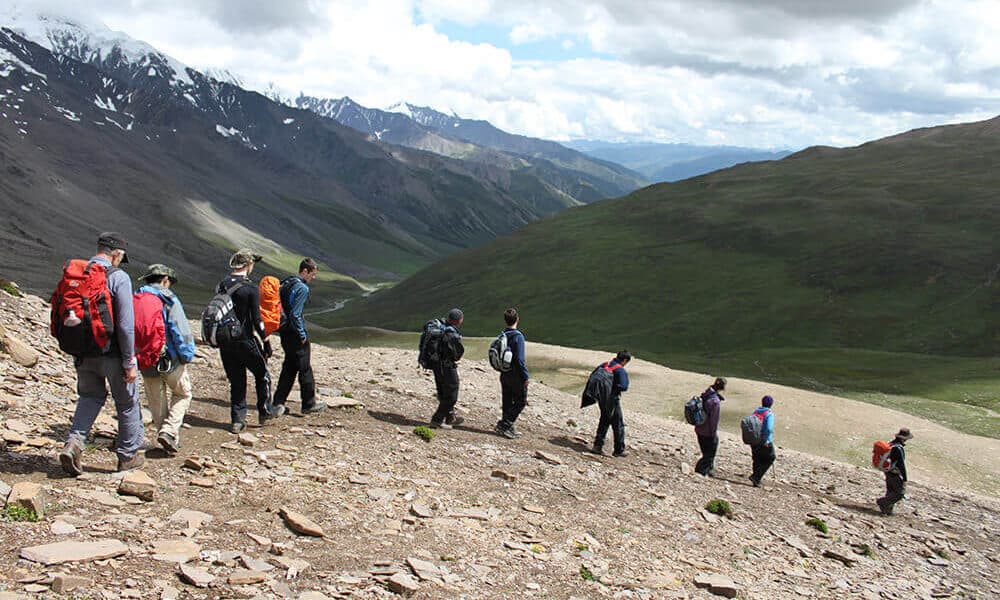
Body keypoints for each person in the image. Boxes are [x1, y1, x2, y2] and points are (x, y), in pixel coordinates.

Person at [59, 232, 145, 475]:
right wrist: (129, 361)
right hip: (112, 354)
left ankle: (74, 443)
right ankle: (128, 457)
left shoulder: (77, 274)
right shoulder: (118, 277)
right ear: (116, 254)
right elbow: (126, 325)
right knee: (127, 403)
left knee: (89, 397)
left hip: (83, 352)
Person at [217, 249, 284, 433]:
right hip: (245, 339)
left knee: (237, 380)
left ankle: (237, 420)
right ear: (248, 265)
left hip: (225, 341)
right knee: (263, 375)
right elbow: (257, 320)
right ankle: (265, 411)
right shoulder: (249, 288)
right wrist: (266, 342)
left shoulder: (222, 285)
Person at [136, 264, 196, 454]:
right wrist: (186, 354)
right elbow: (180, 330)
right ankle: (169, 432)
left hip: (145, 357)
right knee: (183, 393)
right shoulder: (169, 299)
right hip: (169, 358)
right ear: (165, 280)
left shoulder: (135, 298)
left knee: (156, 400)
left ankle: (167, 437)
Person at [273, 258, 326, 415]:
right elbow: (296, 314)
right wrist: (302, 334)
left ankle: (278, 402)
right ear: (305, 271)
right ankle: (309, 404)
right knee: (305, 369)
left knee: (289, 366)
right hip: (295, 334)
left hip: (284, 331)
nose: (313, 277)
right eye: (312, 274)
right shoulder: (302, 288)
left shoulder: (287, 283)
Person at [495, 308, 530, 439]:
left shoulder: (502, 334)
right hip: (516, 374)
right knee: (521, 401)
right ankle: (505, 424)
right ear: (517, 319)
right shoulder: (518, 337)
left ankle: (507, 427)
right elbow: (520, 360)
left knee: (507, 400)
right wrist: (525, 376)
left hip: (504, 372)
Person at [429, 308, 465, 429]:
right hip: (447, 367)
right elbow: (457, 354)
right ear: (459, 320)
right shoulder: (451, 334)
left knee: (443, 391)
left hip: (436, 365)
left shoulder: (440, 327)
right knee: (451, 395)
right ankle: (437, 419)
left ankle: (450, 417)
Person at [591, 350, 631, 457]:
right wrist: (613, 386)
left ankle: (597, 446)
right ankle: (619, 450)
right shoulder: (620, 370)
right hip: (612, 400)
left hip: (601, 398)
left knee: (604, 420)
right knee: (618, 424)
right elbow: (624, 386)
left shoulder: (605, 364)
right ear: (625, 360)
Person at [694, 376, 726, 477]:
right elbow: (714, 420)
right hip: (707, 431)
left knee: (706, 452)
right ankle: (700, 470)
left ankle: (708, 470)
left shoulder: (705, 394)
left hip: (699, 428)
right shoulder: (715, 401)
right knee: (710, 453)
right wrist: (713, 433)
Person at [877, 428, 913, 515]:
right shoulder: (898, 448)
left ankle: (887, 510)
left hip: (888, 471)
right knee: (899, 493)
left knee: (891, 490)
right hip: (895, 473)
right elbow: (901, 464)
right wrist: (904, 478)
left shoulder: (891, 444)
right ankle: (882, 502)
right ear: (903, 438)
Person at [749, 395, 776, 487]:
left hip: (754, 439)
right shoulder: (769, 414)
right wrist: (767, 440)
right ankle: (756, 477)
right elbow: (768, 428)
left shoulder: (755, 412)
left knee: (757, 458)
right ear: (771, 404)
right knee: (771, 457)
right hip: (764, 441)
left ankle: (756, 478)